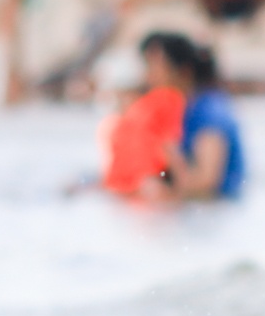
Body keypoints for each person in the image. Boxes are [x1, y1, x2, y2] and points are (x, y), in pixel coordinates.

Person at [151, 33, 244, 202]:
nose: (149, 76)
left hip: (218, 208)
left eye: (156, 67)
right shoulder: (185, 107)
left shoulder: (210, 112)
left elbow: (206, 181)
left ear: (183, 72)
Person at [100, 32, 189, 197]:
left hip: (138, 184)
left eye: (156, 64)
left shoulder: (166, 99)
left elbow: (169, 144)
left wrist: (181, 186)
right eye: (148, 64)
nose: (150, 70)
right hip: (128, 184)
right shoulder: (151, 100)